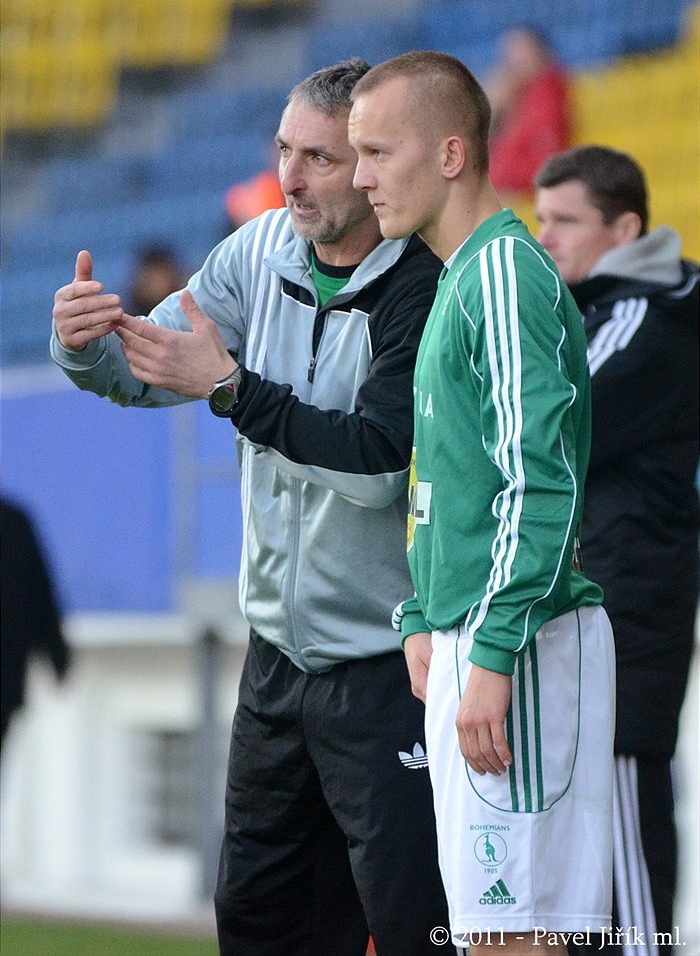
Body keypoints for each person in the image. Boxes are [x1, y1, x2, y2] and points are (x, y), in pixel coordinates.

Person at [50, 58, 449, 956]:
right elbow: (152, 361)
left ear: (374, 165)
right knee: (258, 924)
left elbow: (377, 463)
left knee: (411, 931)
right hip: (273, 668)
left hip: (392, 671)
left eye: (319, 156)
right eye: (283, 149)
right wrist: (81, 342)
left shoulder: (422, 283)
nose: (292, 177)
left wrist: (232, 388)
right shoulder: (257, 248)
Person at [349, 51, 615, 956]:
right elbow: (445, 474)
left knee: (517, 939)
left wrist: (493, 648)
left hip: (521, 646)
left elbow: (538, 479)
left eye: (379, 152)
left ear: (452, 154)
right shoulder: (460, 279)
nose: (360, 178)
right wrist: (422, 611)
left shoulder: (502, 274)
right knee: (489, 936)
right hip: (473, 638)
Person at [534, 144, 699, 956]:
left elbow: (548, 429)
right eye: (540, 219)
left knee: (626, 863)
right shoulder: (602, 311)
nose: (546, 237)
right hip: (596, 614)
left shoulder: (641, 318)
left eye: (565, 221)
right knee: (585, 863)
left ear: (626, 227)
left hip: (628, 619)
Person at [1, 495, 71, 749]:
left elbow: (38, 592)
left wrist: (58, 654)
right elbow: (40, 594)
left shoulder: (14, 523)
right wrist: (58, 655)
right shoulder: (14, 522)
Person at [485, 27, 571, 199]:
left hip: (525, 195)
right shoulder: (515, 96)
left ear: (539, 53)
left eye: (518, 51)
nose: (510, 61)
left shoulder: (548, 91)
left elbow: (543, 159)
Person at [126, 244, 189, 317]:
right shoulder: (129, 318)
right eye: (153, 277)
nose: (158, 284)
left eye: (161, 276)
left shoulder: (185, 315)